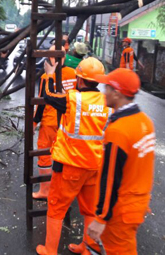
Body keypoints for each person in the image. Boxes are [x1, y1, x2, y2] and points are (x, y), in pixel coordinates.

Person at [36, 57, 111, 255]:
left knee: (56, 208)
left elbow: (48, 96)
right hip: (94, 165)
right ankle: (86, 248)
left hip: (70, 164)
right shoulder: (106, 101)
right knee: (89, 210)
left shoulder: (73, 98)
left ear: (80, 79)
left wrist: (50, 74)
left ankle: (50, 250)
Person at [87, 68, 155, 255]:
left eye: (107, 88)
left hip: (120, 211)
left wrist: (101, 218)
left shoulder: (118, 131)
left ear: (116, 93)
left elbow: (110, 180)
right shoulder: (145, 122)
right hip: (136, 204)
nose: (103, 92)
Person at [32, 52, 78, 200]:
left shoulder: (47, 77)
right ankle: (63, 190)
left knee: (45, 155)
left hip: (50, 123)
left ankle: (45, 191)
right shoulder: (73, 74)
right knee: (65, 155)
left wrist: (33, 123)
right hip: (68, 122)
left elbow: (41, 102)